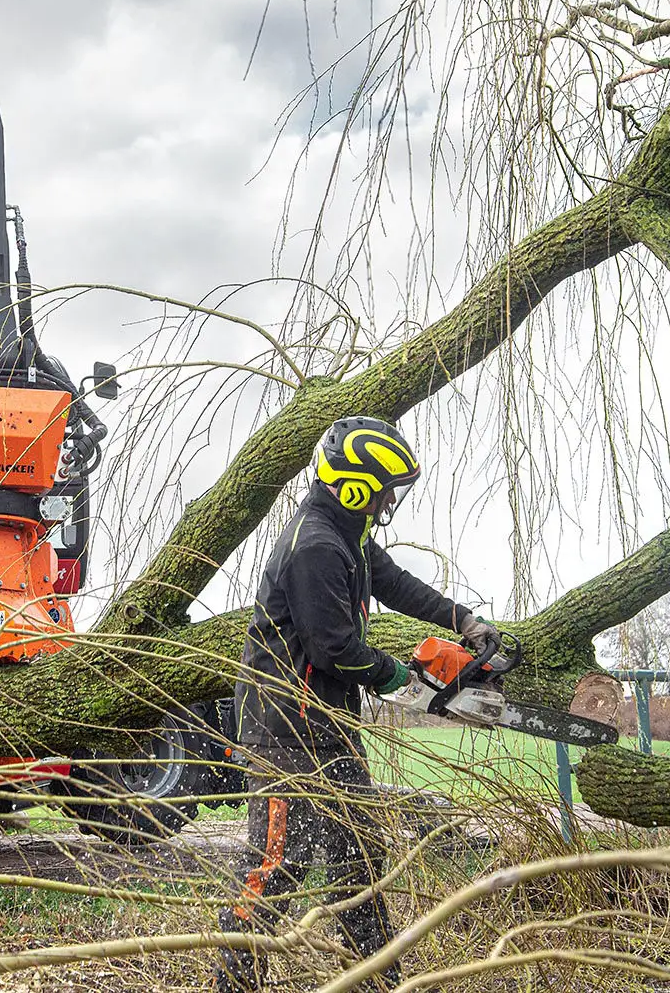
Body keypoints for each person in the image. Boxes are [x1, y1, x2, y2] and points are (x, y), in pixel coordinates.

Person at [214, 415, 497, 993]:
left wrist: (460, 619)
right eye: (387, 489)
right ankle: (233, 983)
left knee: (359, 859)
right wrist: (402, 677)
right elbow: (333, 647)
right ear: (357, 486)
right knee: (276, 866)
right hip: (284, 732)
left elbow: (393, 582)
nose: (391, 501)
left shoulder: (349, 535)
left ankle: (378, 980)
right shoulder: (315, 546)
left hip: (328, 726)